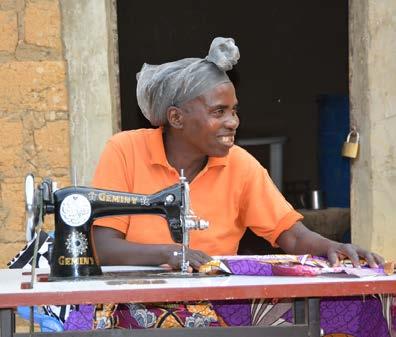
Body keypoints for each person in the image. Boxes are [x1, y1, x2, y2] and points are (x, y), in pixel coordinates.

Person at [92, 37, 383, 272]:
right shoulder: (125, 151)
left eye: (234, 111)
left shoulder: (239, 165)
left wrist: (331, 247)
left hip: (212, 303)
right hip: (131, 301)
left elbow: (292, 235)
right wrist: (174, 253)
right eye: (219, 112)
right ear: (176, 118)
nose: (233, 122)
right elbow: (103, 247)